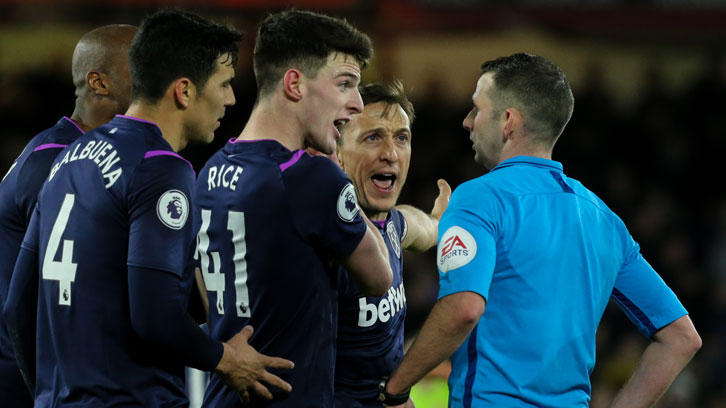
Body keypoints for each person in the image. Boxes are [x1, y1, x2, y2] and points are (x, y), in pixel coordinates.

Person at [3, 9, 292, 407]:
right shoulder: (161, 168)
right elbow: (154, 315)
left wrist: (47, 396)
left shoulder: (71, 157)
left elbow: (19, 304)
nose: (231, 98)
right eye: (224, 84)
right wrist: (225, 360)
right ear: (184, 90)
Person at [378, 53, 701, 408]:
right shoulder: (604, 219)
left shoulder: (479, 197)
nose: (467, 122)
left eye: (476, 109)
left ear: (508, 121)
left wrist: (396, 388)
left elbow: (464, 308)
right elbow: (681, 337)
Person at [194, 9, 392, 408]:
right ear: (295, 83)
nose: (356, 103)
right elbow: (379, 278)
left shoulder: (211, 169)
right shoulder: (309, 176)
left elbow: (204, 278)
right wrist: (338, 173)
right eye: (345, 84)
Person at [0, 24, 137, 406]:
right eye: (140, 66)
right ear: (99, 82)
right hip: (30, 382)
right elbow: (24, 305)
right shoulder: (57, 162)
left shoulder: (78, 152)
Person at [332, 80, 450, 407]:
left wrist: (441, 219)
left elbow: (426, 227)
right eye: (373, 138)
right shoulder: (320, 241)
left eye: (401, 138)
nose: (390, 153)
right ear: (337, 154)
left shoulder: (395, 226)